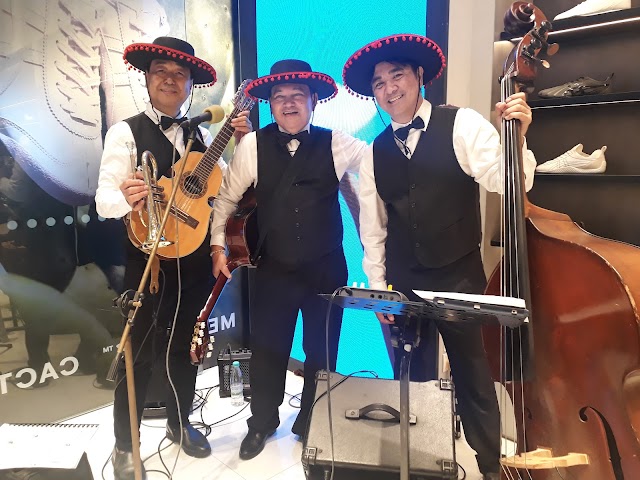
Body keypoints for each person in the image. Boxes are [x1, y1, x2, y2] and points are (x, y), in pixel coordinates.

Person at [342, 34, 536, 480]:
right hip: (403, 282)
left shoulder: (462, 124)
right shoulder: (375, 151)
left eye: (397, 76)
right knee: (413, 378)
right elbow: (374, 229)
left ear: (419, 78)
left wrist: (517, 139)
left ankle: (490, 466)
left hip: (459, 276)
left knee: (474, 378)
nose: (389, 89)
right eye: (378, 83)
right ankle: (426, 462)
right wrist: (377, 293)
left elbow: (509, 181)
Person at [95, 36, 251, 480]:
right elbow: (104, 200)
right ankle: (127, 444)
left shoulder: (202, 135)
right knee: (138, 353)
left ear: (189, 86)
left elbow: (215, 198)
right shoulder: (125, 133)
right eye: (161, 70)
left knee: (187, 347)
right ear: (147, 78)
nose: (170, 79)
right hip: (148, 263)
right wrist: (126, 196)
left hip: (195, 262)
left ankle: (180, 424)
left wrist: (241, 145)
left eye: (178, 74)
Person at [210, 59, 367, 460]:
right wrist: (216, 246)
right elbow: (227, 199)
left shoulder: (336, 142)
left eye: (298, 95)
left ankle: (311, 420)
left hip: (326, 268)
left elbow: (379, 166)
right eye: (280, 97)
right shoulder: (252, 145)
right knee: (267, 348)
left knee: (323, 350)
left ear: (313, 100)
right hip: (273, 268)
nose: (288, 103)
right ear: (271, 105)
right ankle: (261, 422)